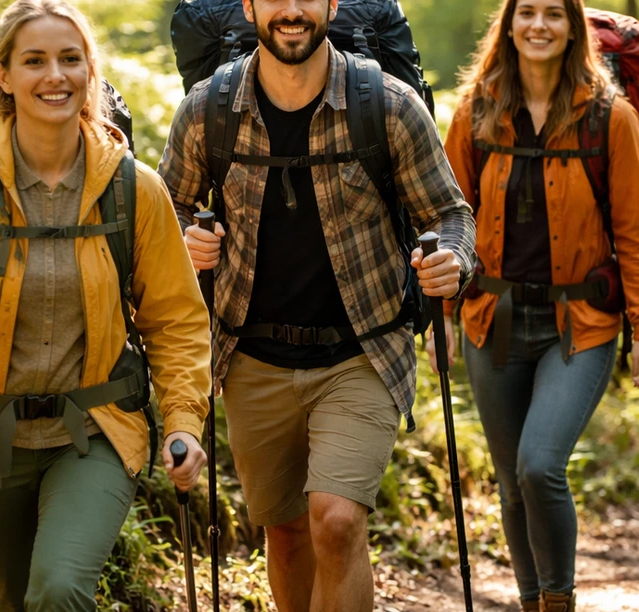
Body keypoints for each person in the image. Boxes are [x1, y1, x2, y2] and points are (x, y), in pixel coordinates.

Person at [0, 1, 212, 608]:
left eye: (69, 59)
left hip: (96, 431)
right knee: (10, 600)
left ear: (90, 71)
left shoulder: (136, 191)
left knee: (59, 589)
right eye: (34, 61)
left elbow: (176, 320)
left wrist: (184, 422)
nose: (54, 75)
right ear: (3, 76)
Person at [157, 0, 476, 609]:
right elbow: (165, 209)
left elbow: (450, 215)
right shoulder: (208, 110)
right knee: (285, 529)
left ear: (332, 4)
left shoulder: (387, 105)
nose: (292, 10)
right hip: (251, 355)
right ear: (250, 7)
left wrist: (452, 262)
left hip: (362, 351)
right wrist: (186, 240)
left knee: (335, 520)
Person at [435, 0, 639, 609]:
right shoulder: (476, 112)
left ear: (572, 30)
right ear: (508, 25)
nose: (538, 25)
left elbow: (637, 232)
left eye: (553, 14)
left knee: (540, 467)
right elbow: (450, 218)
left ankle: (557, 601)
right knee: (511, 486)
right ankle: (532, 600)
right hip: (493, 318)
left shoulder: (607, 118)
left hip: (579, 324)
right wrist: (448, 315)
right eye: (526, 12)